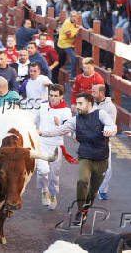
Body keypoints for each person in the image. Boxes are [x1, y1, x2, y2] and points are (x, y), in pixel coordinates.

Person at [39, 92, 117, 225]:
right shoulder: (75, 120)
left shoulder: (101, 114)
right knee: (82, 181)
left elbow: (112, 126)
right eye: (76, 103)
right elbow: (60, 130)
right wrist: (41, 133)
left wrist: (110, 130)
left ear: (89, 103)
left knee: (93, 190)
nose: (77, 106)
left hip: (101, 158)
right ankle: (81, 211)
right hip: (85, 156)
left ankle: (85, 210)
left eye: (80, 103)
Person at [34, 84, 72, 210]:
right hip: (42, 143)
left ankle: (53, 194)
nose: (53, 98)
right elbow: (34, 122)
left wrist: (59, 124)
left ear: (61, 96)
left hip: (56, 146)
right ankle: (44, 190)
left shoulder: (66, 111)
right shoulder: (43, 106)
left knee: (54, 176)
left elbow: (68, 132)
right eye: (51, 95)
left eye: (56, 96)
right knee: (42, 171)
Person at [92, 84, 117, 200]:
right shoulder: (89, 103)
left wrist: (106, 132)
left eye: (94, 92)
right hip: (90, 141)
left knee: (107, 169)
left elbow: (111, 124)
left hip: (104, 142)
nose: (92, 93)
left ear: (101, 93)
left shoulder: (110, 107)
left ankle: (102, 190)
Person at [58, 11, 81, 80]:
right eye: (72, 16)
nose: (74, 18)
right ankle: (72, 76)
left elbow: (74, 28)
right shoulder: (67, 23)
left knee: (63, 61)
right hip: (64, 43)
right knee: (73, 57)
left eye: (75, 16)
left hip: (69, 44)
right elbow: (70, 35)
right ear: (70, 16)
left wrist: (77, 28)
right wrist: (78, 29)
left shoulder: (73, 22)